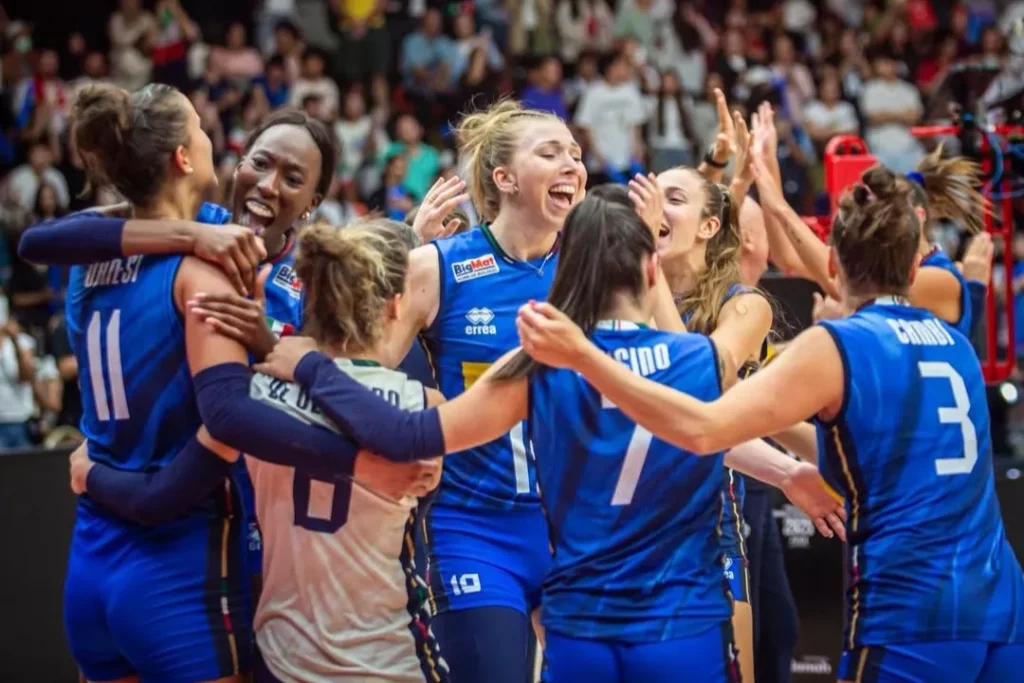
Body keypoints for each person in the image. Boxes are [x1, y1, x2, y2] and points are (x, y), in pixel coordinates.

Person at [252, 187, 844, 683]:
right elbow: (706, 430)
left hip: (580, 624)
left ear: (569, 270)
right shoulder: (699, 360)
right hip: (677, 623)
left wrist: (310, 366)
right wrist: (788, 470)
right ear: (649, 268)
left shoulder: (535, 365)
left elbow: (412, 433)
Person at [516, 167, 1024, 683]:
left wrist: (585, 357)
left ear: (830, 261)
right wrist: (785, 462)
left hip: (910, 607)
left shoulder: (816, 336)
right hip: (1001, 602)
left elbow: (705, 419)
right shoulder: (955, 344)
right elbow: (851, 441)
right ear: (914, 268)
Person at [57, 83, 429, 682]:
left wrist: (270, 344)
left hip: (263, 525)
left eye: (292, 178)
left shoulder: (315, 282)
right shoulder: (190, 232)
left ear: (311, 202)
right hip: (191, 521)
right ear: (232, 163)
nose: (267, 184)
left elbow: (357, 379)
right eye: (260, 162)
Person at [654, 163, 772, 683]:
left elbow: (698, 386)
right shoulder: (614, 300)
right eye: (649, 198)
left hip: (705, 525)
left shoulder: (744, 307)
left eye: (673, 199)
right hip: (616, 524)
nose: (654, 210)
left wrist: (648, 280)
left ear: (707, 227)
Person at [758, 142, 988, 338]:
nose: (876, 218)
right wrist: (767, 168)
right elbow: (787, 257)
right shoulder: (880, 263)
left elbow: (837, 280)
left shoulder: (941, 277)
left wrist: (781, 207)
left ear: (918, 217)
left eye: (887, 212)